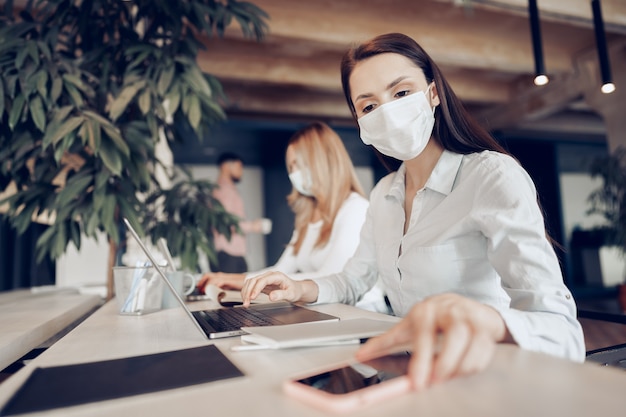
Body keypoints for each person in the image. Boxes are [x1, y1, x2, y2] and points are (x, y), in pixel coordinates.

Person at [241, 33, 585, 389]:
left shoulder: (491, 176)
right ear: (360, 123)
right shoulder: (383, 195)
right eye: (369, 106)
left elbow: (561, 329)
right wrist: (299, 288)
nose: (388, 113)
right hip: (405, 380)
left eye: (401, 93)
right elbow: (354, 279)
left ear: (433, 93)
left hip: (481, 382)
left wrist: (489, 320)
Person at [199, 122, 388, 313]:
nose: (294, 173)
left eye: (299, 163)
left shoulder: (355, 209)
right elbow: (281, 269)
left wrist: (244, 282)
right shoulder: (307, 218)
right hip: (327, 312)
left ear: (324, 160)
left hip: (361, 312)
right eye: (290, 167)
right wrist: (230, 279)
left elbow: (332, 277)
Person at [211, 152, 271, 273]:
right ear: (226, 166)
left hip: (232, 254)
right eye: (239, 167)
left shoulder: (227, 189)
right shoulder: (223, 191)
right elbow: (226, 223)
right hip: (228, 254)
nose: (241, 171)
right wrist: (253, 226)